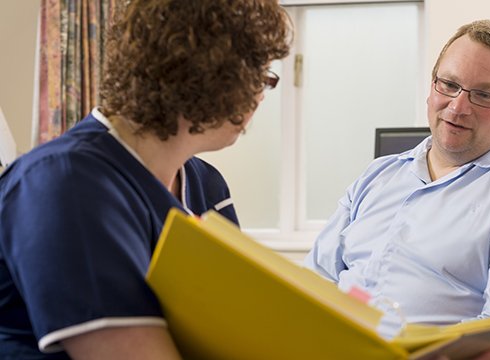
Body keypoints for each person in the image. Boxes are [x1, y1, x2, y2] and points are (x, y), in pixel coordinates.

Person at [0, 0, 290, 358]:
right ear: (208, 74)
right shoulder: (63, 182)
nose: (261, 95)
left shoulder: (208, 187)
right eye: (260, 77)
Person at [304, 19, 490, 332]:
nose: (458, 106)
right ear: (431, 87)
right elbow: (314, 284)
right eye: (449, 85)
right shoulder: (379, 175)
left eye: (483, 95)